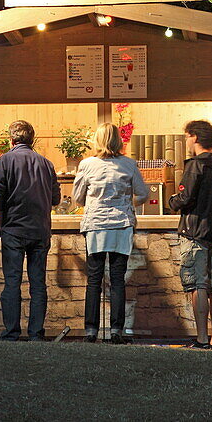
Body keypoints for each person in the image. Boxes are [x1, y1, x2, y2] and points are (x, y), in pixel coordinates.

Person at [72, 123, 149, 344]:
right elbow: (142, 194)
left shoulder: (87, 165)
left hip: (95, 225)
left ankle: (91, 331)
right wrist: (128, 204)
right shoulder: (129, 164)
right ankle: (117, 330)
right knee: (117, 279)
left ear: (97, 140)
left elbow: (77, 197)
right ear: (118, 140)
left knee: (94, 279)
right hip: (121, 225)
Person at [0, 120, 60, 341]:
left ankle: (11, 332)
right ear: (33, 140)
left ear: (11, 140)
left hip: (13, 229)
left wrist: (2, 221)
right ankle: (36, 333)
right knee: (38, 283)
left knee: (12, 281)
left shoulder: (5, 160)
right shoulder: (47, 164)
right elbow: (56, 198)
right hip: (40, 230)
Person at [168, 119, 212, 349]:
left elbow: (184, 197)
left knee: (199, 284)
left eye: (187, 137)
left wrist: (172, 202)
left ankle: (201, 339)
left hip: (195, 231)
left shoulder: (195, 165)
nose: (186, 142)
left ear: (195, 137)